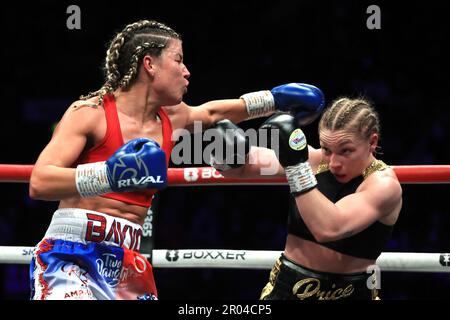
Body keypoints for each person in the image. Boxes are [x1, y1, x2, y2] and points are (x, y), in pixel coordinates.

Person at [28, 19, 325, 300]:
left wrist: (274, 100)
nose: (187, 71)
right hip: (72, 252)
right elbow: (40, 182)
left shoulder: (173, 117)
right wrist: (109, 174)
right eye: (179, 59)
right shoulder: (90, 112)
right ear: (150, 64)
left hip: (128, 260)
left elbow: (214, 113)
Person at [211, 97, 402, 300]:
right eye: (327, 149)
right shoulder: (314, 160)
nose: (334, 163)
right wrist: (226, 152)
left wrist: (296, 167)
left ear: (372, 142)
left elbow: (330, 228)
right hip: (287, 288)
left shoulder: (383, 184)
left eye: (346, 151)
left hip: (351, 293)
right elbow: (242, 168)